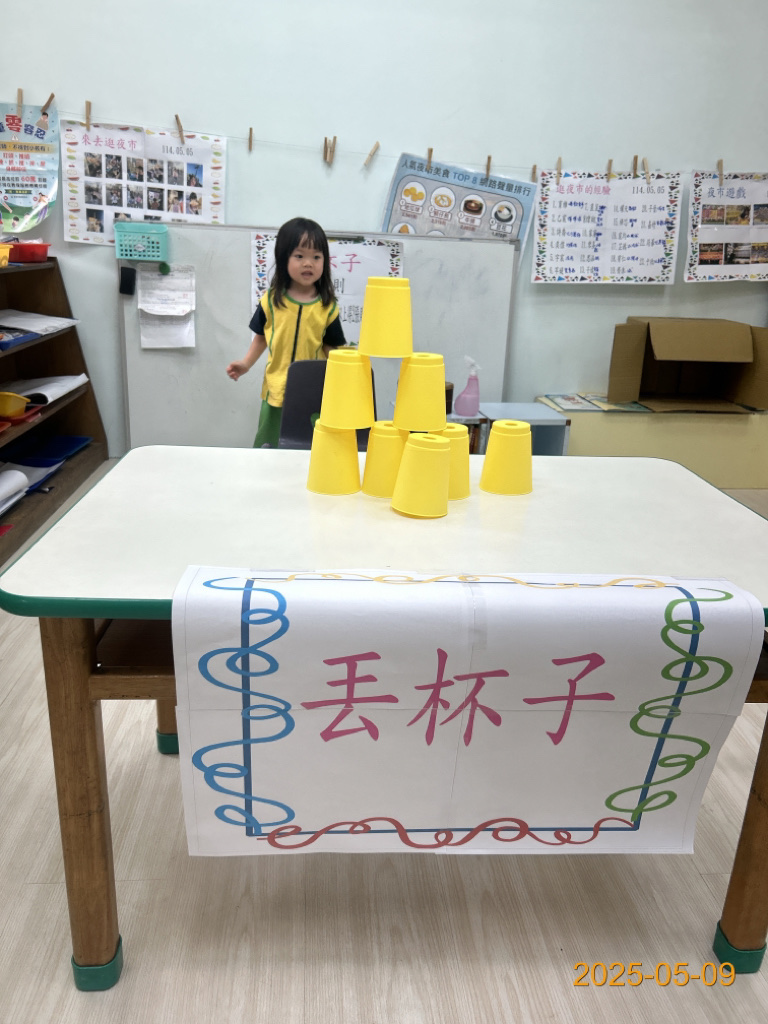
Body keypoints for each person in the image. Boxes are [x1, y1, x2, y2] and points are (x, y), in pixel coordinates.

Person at [227, 217, 345, 448]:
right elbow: (261, 337)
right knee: (269, 446)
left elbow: (331, 348)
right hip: (276, 388)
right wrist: (246, 363)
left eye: (316, 257)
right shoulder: (271, 301)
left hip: (312, 390)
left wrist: (346, 375)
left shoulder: (328, 307)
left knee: (308, 447)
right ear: (283, 258)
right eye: (299, 256)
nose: (308, 263)